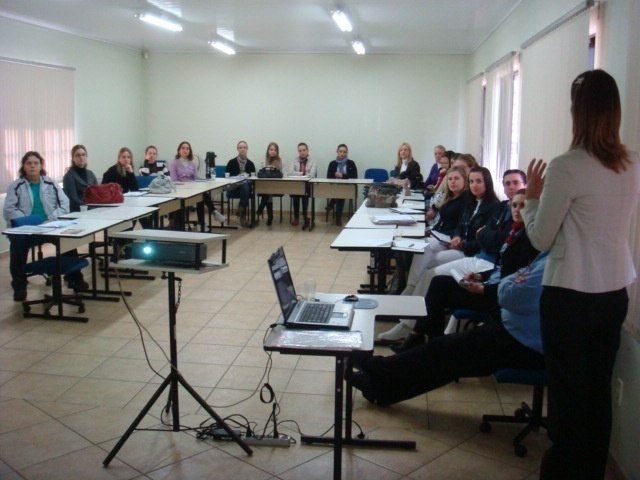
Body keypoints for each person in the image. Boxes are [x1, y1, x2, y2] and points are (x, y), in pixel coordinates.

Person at [521, 70, 640, 480]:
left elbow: (540, 238)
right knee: (597, 398)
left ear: (578, 113)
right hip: (614, 294)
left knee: (569, 402)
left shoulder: (567, 166)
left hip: (569, 297)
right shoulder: (631, 164)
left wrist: (531, 199)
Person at [353, 252, 548, 407]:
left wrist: (507, 282)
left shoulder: (552, 261)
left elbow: (508, 294)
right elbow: (510, 278)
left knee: (442, 353)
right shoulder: (549, 254)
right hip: (513, 330)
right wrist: (508, 281)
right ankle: (380, 388)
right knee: (442, 357)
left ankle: (375, 370)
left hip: (523, 342)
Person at [391, 189, 539, 352]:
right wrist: (480, 276)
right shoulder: (514, 230)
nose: (517, 210)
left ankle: (422, 339)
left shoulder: (529, 239)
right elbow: (499, 266)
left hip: (495, 297)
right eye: (515, 205)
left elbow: (514, 280)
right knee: (438, 283)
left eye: (523, 206)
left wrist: (484, 288)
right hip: (489, 281)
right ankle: (425, 339)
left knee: (439, 289)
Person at [3, 151, 87, 301]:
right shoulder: (16, 186)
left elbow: (64, 203)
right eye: (29, 163)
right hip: (27, 230)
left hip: (50, 225)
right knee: (16, 248)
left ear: (41, 165)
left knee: (68, 242)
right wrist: (29, 221)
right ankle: (19, 286)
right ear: (24, 166)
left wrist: (50, 219)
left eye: (36, 163)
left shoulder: (50, 182)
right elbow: (9, 209)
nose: (33, 166)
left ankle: (75, 279)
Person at [168, 141, 225, 228]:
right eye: (183, 148)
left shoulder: (192, 163)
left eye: (187, 148)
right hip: (180, 191)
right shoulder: (174, 163)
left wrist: (204, 180)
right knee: (201, 196)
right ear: (179, 150)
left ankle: (202, 223)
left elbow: (195, 177)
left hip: (192, 189)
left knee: (202, 196)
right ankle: (213, 212)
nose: (185, 150)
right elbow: (174, 180)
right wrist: (187, 184)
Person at [225, 140, 256, 226]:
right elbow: (227, 176)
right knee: (245, 185)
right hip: (234, 187)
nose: (242, 149)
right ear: (237, 149)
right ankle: (242, 213)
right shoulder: (231, 162)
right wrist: (238, 176)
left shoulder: (251, 164)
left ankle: (241, 210)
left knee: (245, 184)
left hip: (245, 188)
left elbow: (253, 178)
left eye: (244, 147)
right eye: (240, 148)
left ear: (247, 149)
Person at [326, 143, 358, 226]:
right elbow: (328, 177)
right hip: (334, 186)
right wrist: (335, 176)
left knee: (341, 192)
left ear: (347, 153)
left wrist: (342, 176)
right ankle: (337, 216)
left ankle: (332, 206)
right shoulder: (332, 163)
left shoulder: (351, 163)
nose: (342, 153)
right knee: (339, 191)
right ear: (337, 152)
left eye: (344, 152)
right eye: (340, 151)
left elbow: (355, 177)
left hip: (347, 187)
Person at [62, 144, 98, 212]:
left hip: (94, 209)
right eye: (78, 155)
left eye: (83, 155)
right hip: (77, 212)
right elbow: (73, 200)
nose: (81, 157)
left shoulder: (91, 174)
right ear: (73, 158)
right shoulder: (69, 176)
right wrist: (90, 207)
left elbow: (97, 193)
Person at [290, 142, 317, 230]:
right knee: (295, 196)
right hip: (297, 184)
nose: (302, 152)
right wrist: (302, 173)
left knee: (305, 195)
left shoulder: (312, 161)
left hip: (307, 185)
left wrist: (298, 174)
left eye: (304, 150)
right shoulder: (294, 160)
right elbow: (291, 172)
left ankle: (305, 217)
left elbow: (312, 174)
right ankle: (296, 217)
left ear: (307, 150)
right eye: (300, 150)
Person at [257, 142, 284, 226]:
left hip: (277, 186)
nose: (273, 151)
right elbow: (260, 173)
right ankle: (270, 217)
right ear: (268, 150)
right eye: (271, 149)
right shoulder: (263, 161)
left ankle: (261, 208)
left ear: (277, 152)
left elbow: (282, 174)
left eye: (275, 150)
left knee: (268, 192)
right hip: (264, 186)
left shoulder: (279, 161)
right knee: (268, 193)